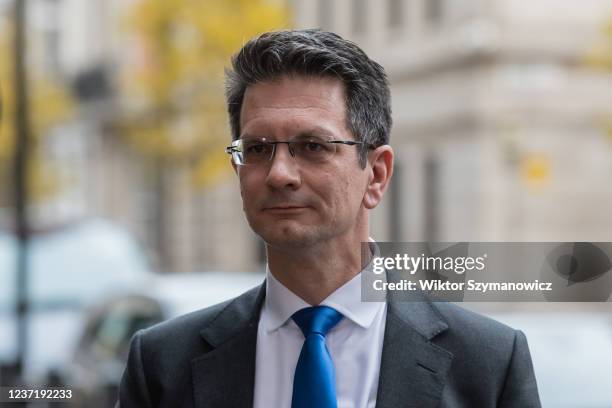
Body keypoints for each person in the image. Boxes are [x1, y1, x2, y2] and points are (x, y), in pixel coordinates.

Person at [117, 29, 540, 408]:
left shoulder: (488, 364)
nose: (280, 173)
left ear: (376, 174)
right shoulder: (162, 365)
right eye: (259, 149)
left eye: (313, 146)